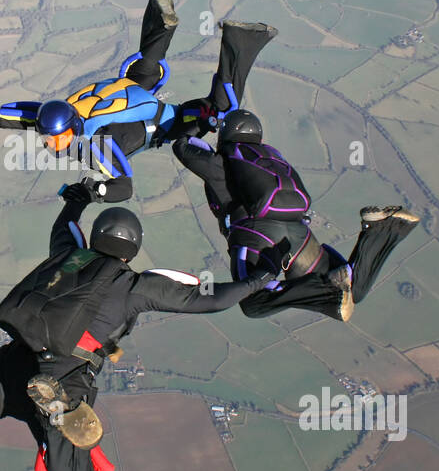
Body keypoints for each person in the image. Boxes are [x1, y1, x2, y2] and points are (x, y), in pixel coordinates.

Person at [0, 185, 274, 471]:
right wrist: (259, 280)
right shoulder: (135, 286)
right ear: (133, 247)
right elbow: (211, 298)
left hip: (11, 366)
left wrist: (80, 197)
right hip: (65, 376)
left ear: (98, 236)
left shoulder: (69, 255)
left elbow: (65, 222)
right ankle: (58, 414)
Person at [0, 0, 276, 201]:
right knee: (141, 74)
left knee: (218, 114)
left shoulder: (96, 144)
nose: (50, 144)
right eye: (48, 138)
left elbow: (124, 186)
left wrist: (90, 191)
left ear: (70, 128)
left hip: (168, 120)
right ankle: (160, 31)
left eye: (57, 139)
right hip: (132, 95)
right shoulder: (50, 115)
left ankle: (242, 41)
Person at [173, 109, 419, 322]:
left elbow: (182, 147)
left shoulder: (224, 162)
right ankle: (384, 230)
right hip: (299, 233)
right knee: (353, 291)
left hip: (256, 234)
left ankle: (327, 288)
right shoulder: (272, 158)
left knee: (252, 302)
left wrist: (202, 122)